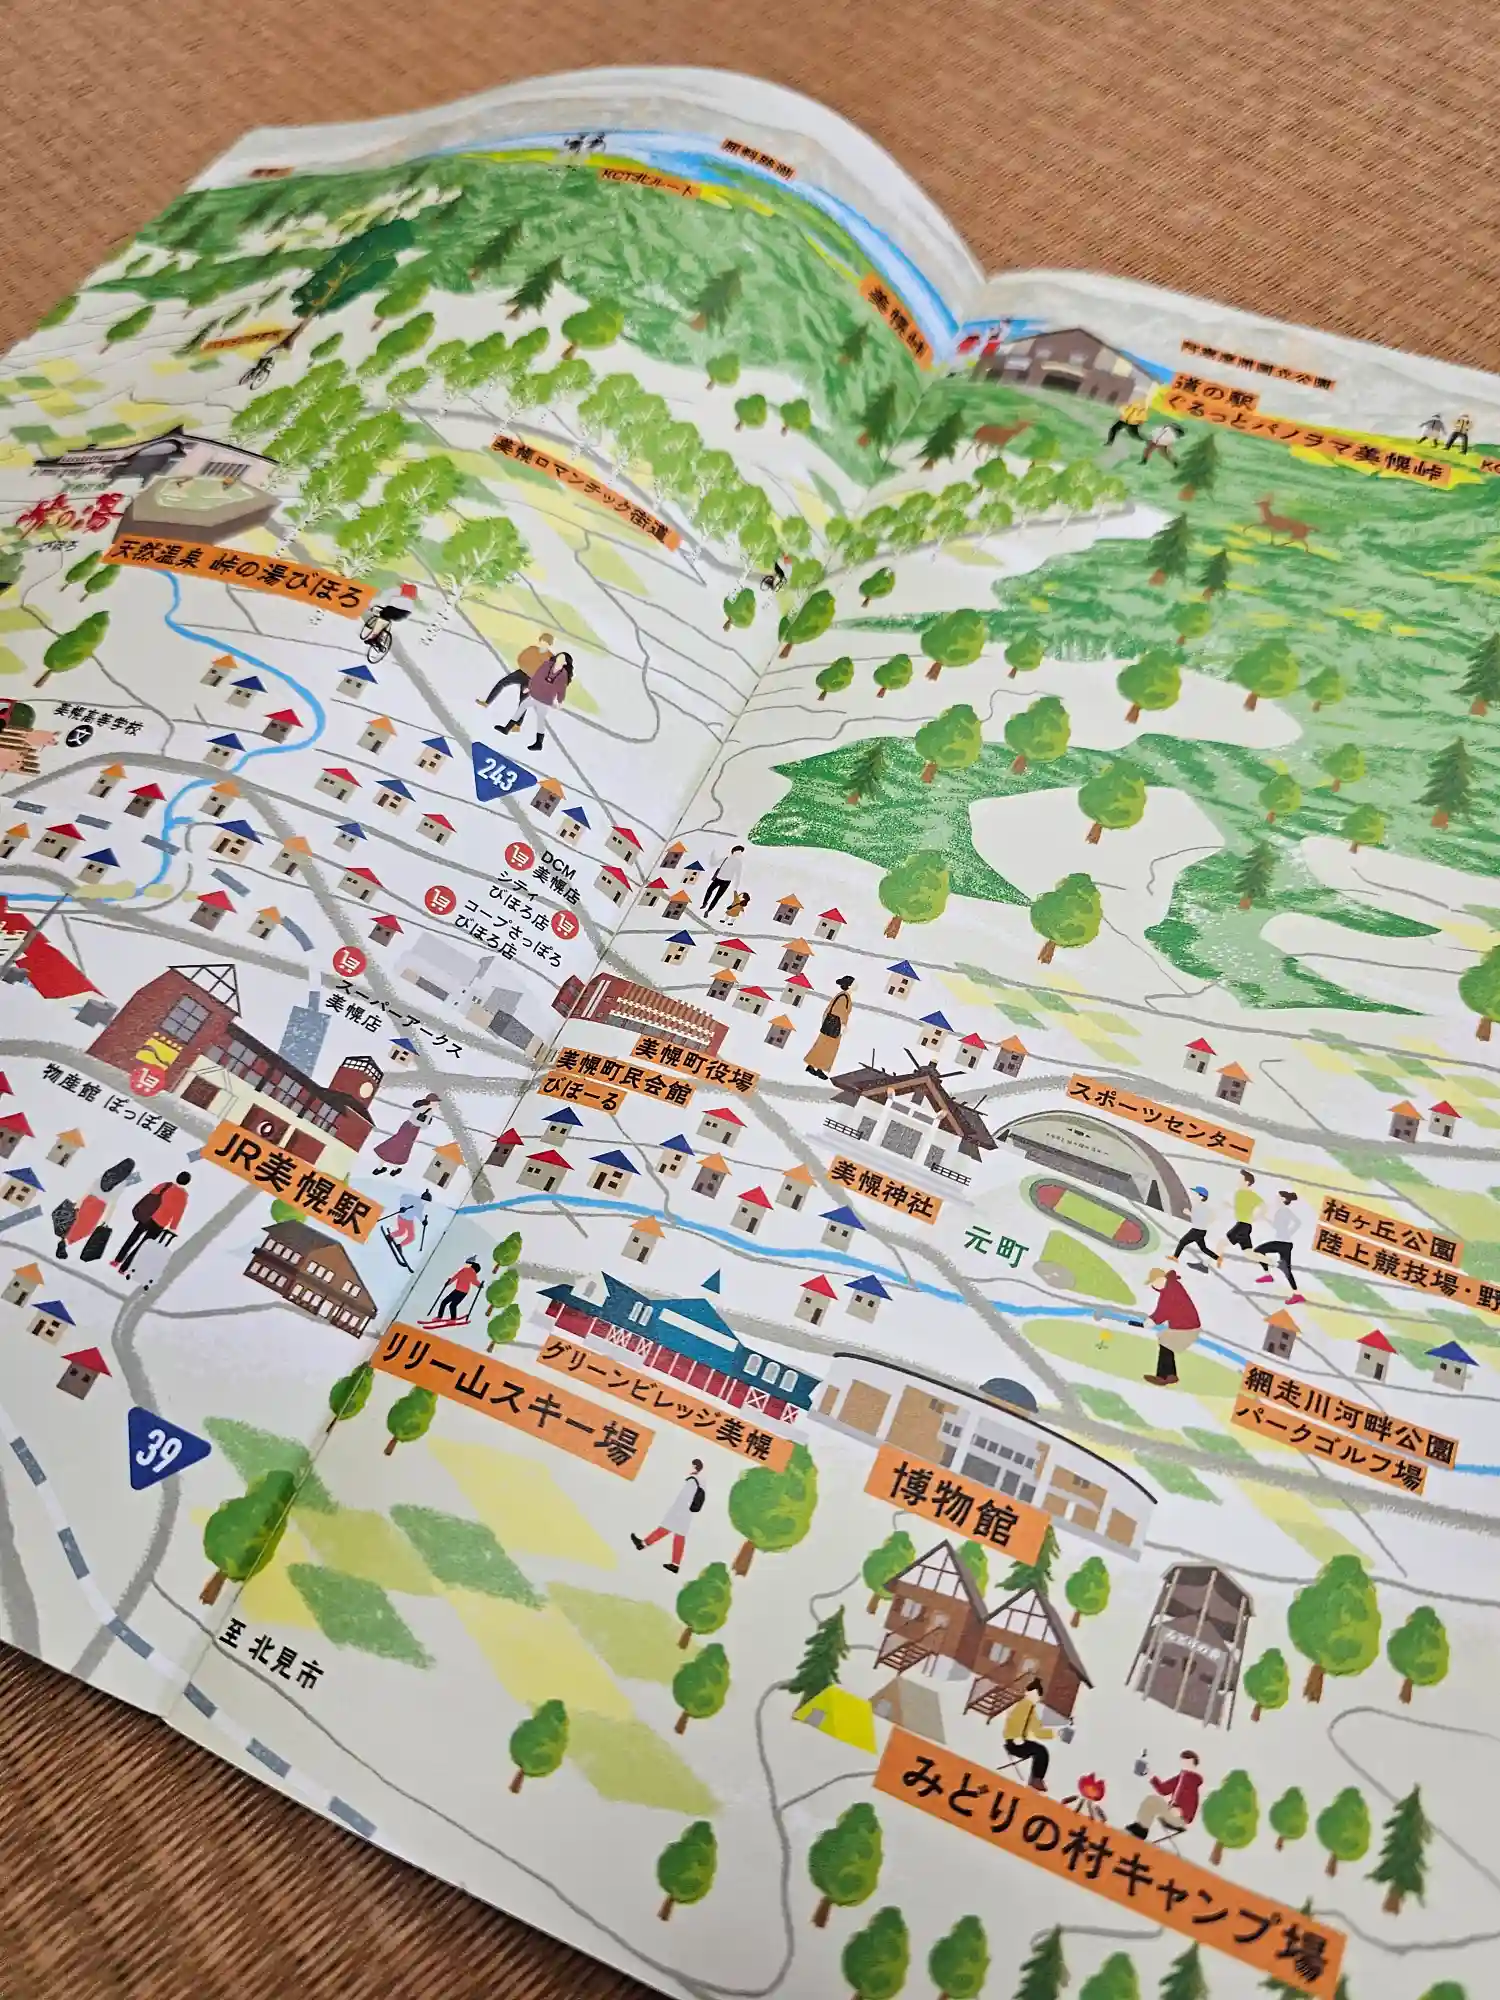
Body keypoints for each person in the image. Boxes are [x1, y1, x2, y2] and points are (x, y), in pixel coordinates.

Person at [631, 1459, 705, 1573]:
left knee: (665, 1529)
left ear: (694, 1467)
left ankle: (643, 1544)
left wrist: (676, 1510)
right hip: (687, 1513)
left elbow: (684, 1497)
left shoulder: (692, 1481)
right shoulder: (699, 1482)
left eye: (691, 1465)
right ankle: (675, 1564)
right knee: (678, 1536)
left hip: (681, 1511)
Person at [113, 1171, 191, 1279]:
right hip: (160, 1224)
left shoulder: (166, 1185)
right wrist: (173, 1227)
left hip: (148, 1217)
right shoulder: (183, 1197)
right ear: (187, 1183)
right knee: (142, 1247)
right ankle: (124, 1268)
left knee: (132, 1238)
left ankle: (117, 1260)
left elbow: (151, 1194)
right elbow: (178, 1213)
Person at [56, 1157, 135, 1262]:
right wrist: (106, 1220)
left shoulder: (106, 1174)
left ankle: (65, 1242)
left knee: (77, 1223)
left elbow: (90, 1188)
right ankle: (66, 1242)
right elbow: (112, 1203)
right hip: (98, 1207)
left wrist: (79, 1202)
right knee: (86, 1230)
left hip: (89, 1201)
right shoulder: (121, 1184)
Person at [501, 650, 574, 754]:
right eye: (559, 657)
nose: (559, 659)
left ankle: (538, 743)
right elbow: (536, 677)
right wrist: (529, 688)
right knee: (522, 707)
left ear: (565, 663)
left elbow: (561, 689)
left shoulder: (563, 675)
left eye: (562, 659)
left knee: (540, 719)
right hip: (535, 694)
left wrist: (559, 701)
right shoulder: (547, 665)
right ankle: (507, 728)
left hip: (545, 699)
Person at [1125, 1750, 1202, 1841]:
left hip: (1179, 1818)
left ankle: (1141, 1830)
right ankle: (1141, 1828)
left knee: (1153, 1800)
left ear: (1192, 1762)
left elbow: (1192, 1801)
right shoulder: (1181, 1777)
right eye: (1182, 1761)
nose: (1183, 1764)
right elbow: (1164, 1790)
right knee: (1151, 1800)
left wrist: (1183, 1813)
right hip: (1172, 1813)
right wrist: (1148, 1773)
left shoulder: (1192, 1781)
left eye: (1186, 1761)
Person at [1143, 1266, 1201, 1386]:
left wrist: (1152, 1320)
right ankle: (1169, 1375)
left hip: (1186, 1326)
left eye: (1154, 1282)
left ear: (1161, 1279)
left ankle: (1163, 1376)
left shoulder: (1171, 1290)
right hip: (1184, 1325)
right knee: (1165, 1342)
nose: (1154, 1286)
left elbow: (1165, 1310)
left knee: (1165, 1342)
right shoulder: (1171, 1287)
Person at [478, 630, 555, 708]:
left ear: (549, 645)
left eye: (545, 643)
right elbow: (521, 658)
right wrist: (525, 668)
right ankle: (487, 703)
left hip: (532, 681)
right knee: (502, 683)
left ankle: (518, 717)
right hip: (521, 673)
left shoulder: (550, 658)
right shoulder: (532, 649)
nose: (543, 645)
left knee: (523, 701)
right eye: (542, 642)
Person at [1003, 1677, 1054, 1792]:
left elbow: (1037, 1730)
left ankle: (1036, 1778)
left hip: (1019, 1741)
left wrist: (1055, 1734)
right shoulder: (1022, 1706)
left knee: (1040, 1750)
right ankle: (1036, 1779)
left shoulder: (1030, 1708)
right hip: (1014, 1742)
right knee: (1039, 1751)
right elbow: (1012, 1721)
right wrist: (1014, 1738)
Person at [1254, 1188, 1307, 1300]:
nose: (1275, 1199)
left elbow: (1298, 1222)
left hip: (1282, 1243)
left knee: (1258, 1251)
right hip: (1285, 1243)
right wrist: (1265, 1219)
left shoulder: (1284, 1211)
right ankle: (1297, 1294)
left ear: (1283, 1199)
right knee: (1286, 1270)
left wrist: (1290, 1232)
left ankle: (1268, 1274)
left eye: (1277, 1198)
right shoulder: (1281, 1211)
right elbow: (1276, 1226)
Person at [371, 1093, 440, 1175]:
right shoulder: (427, 1111)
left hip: (407, 1128)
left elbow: (414, 1119)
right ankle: (392, 1168)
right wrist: (425, 1123)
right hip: (411, 1130)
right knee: (400, 1148)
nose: (437, 1104)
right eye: (436, 1102)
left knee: (394, 1146)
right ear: (431, 1102)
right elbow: (421, 1124)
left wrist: (423, 1123)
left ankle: (383, 1168)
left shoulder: (422, 1108)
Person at [804, 974, 855, 1078]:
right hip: (835, 1027)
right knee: (828, 1049)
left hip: (829, 1025)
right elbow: (839, 1012)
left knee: (822, 1046)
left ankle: (814, 1066)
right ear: (850, 986)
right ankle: (817, 1068)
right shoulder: (844, 997)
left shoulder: (843, 995)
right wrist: (842, 1025)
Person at [1171, 1186, 1220, 1271]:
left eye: (1195, 1194)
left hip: (1197, 1231)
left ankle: (1175, 1257)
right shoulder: (1201, 1207)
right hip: (1201, 1231)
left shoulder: (1199, 1207)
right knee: (1203, 1248)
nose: (1193, 1195)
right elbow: (1209, 1218)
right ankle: (1218, 1258)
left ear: (1201, 1197)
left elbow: (1198, 1218)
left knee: (1182, 1242)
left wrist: (1188, 1213)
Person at [384, 1187, 431, 1268]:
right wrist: (403, 1207)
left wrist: (423, 1221)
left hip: (409, 1220)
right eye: (425, 1201)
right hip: (402, 1217)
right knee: (401, 1231)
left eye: (426, 1202)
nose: (425, 1203)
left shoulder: (421, 1206)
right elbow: (403, 1196)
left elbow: (418, 1214)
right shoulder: (413, 1199)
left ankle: (399, 1245)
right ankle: (390, 1236)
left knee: (411, 1236)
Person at [1223, 1168, 1262, 1258]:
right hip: (1244, 1225)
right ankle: (1273, 1263)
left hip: (1242, 1225)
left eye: (1240, 1179)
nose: (1238, 1181)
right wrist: (1230, 1206)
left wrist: (1255, 1217)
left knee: (1222, 1243)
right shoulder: (1239, 1193)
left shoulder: (1249, 1194)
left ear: (1247, 1182)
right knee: (1249, 1253)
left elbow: (1264, 1206)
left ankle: (1208, 1263)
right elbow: (1241, 1209)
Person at [701, 844, 744, 917]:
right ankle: (704, 903)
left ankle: (708, 911)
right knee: (709, 890)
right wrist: (712, 856)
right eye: (738, 853)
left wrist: (736, 885)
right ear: (733, 851)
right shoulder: (725, 859)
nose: (739, 855)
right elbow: (713, 864)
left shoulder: (738, 863)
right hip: (718, 878)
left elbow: (738, 874)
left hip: (726, 881)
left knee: (717, 897)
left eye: (740, 853)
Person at [434, 1256, 482, 1321]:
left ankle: (440, 1317)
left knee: (444, 1302)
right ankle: (452, 1319)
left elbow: (455, 1277)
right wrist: (479, 1285)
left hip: (458, 1290)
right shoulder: (472, 1273)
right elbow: (474, 1281)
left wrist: (448, 1283)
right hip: (463, 1292)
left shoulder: (464, 1270)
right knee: (452, 1305)